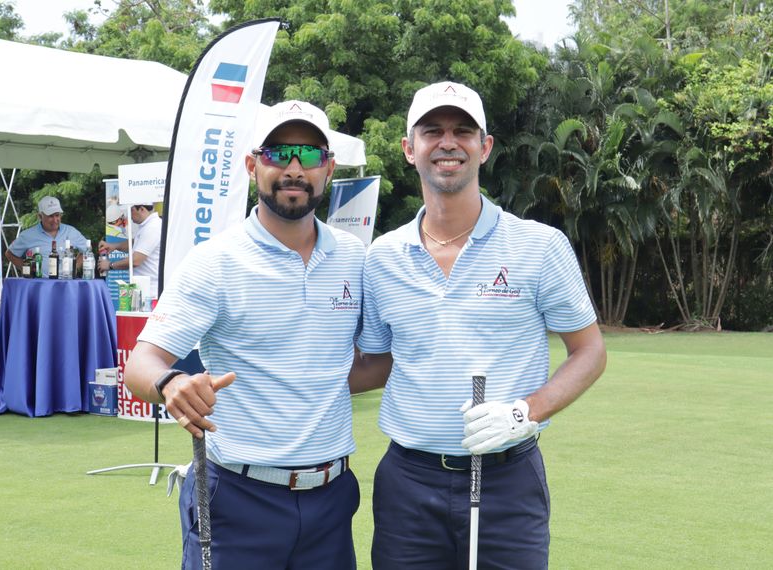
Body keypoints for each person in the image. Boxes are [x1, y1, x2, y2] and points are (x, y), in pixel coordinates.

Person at [350, 81, 607, 569]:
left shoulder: (539, 246)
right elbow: (377, 363)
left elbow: (590, 352)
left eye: (463, 131)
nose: (448, 142)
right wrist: (266, 384)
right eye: (432, 131)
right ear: (410, 149)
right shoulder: (381, 257)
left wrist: (525, 411)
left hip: (507, 481)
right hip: (408, 482)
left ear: (484, 147)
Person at [123, 101, 366, 570]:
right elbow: (140, 365)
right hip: (237, 496)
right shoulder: (215, 261)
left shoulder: (354, 257)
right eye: (279, 153)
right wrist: (172, 383)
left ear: (329, 168)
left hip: (333, 499)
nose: (294, 169)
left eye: (310, 155)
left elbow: (363, 362)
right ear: (253, 164)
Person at [5, 195, 88, 275]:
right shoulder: (28, 235)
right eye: (51, 216)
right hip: (40, 285)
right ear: (40, 216)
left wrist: (75, 267)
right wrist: (27, 270)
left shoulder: (71, 231)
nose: (55, 220)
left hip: (66, 284)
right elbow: (10, 254)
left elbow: (87, 250)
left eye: (57, 215)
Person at [98, 203, 162, 295]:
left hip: (150, 293)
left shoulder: (152, 227)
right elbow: (135, 242)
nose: (129, 215)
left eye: (131, 210)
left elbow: (136, 260)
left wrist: (110, 265)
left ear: (142, 209)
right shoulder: (148, 226)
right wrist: (114, 246)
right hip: (145, 289)